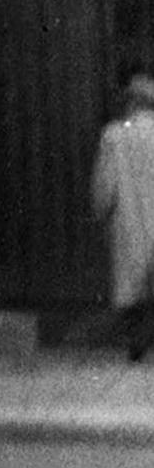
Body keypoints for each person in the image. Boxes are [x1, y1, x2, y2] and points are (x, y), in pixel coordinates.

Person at [95, 64, 154, 361]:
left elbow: (104, 188)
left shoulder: (114, 137)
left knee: (133, 287)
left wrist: (101, 213)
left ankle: (137, 344)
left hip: (129, 222)